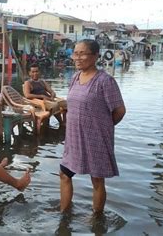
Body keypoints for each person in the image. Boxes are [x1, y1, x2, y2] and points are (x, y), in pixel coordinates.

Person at [60, 39, 126, 214]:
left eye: (82, 53)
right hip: (73, 137)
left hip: (96, 139)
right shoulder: (74, 78)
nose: (77, 58)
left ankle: (97, 219)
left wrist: (102, 127)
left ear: (95, 56)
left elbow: (119, 111)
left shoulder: (105, 81)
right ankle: (64, 213)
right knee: (65, 174)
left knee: (97, 180)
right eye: (76, 53)